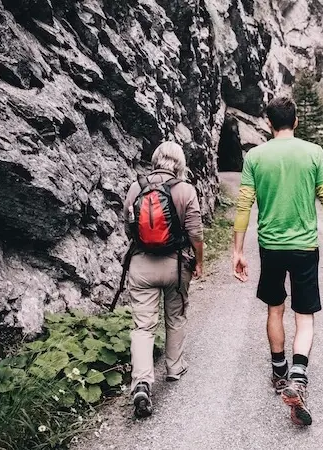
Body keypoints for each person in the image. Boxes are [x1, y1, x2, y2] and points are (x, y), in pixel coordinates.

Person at [232, 96, 323, 426]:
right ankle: (299, 376)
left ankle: (279, 371)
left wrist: (238, 251)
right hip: (304, 247)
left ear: (269, 123)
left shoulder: (255, 156)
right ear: (295, 121)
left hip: (271, 246)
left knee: (274, 309)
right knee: (305, 316)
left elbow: (243, 207)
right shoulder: (313, 153)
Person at [122, 141, 204, 417]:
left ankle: (142, 381)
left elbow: (128, 227)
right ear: (179, 164)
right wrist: (199, 261)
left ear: (155, 160)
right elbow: (196, 234)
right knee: (175, 317)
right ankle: (174, 367)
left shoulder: (136, 188)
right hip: (176, 265)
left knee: (143, 326)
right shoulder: (185, 190)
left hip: (141, 264)